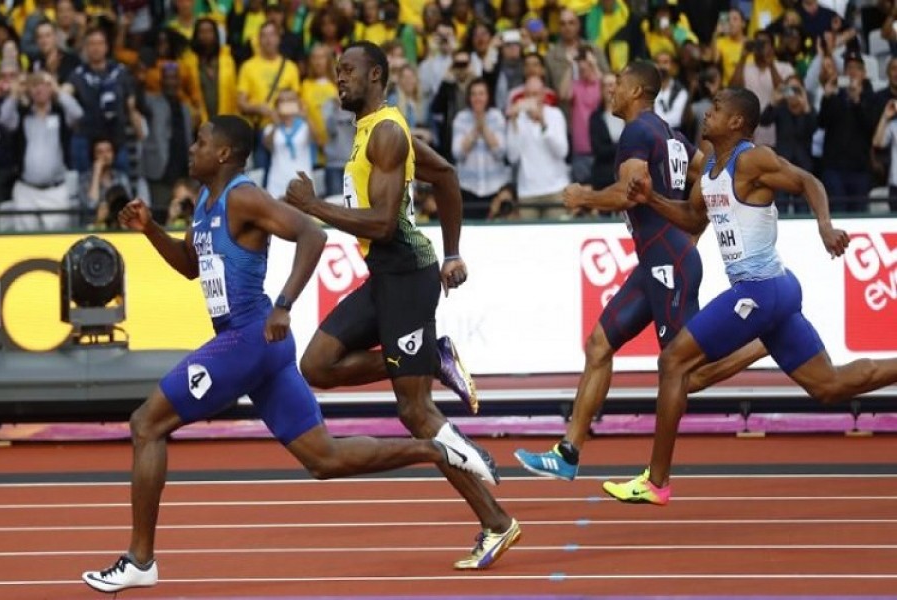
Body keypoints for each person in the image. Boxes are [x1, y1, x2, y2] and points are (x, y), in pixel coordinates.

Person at [80, 115, 500, 594]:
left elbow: (312, 234)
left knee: (146, 423)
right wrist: (149, 227)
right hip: (261, 350)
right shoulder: (204, 201)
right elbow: (191, 269)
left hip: (248, 339)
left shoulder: (244, 195)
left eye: (200, 142)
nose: (191, 149)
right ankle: (439, 449)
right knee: (325, 459)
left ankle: (140, 559)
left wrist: (284, 304)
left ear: (223, 154)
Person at [283, 41, 521, 570]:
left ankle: (497, 522)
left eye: (347, 70)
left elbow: (386, 223)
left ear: (376, 76)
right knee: (316, 364)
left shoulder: (388, 133)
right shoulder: (377, 130)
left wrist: (312, 207)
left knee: (416, 412)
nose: (337, 77)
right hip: (386, 277)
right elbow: (447, 176)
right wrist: (454, 251)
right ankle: (430, 358)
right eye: (336, 68)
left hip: (408, 277)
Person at [609, 87, 897, 505]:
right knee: (830, 387)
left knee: (673, 362)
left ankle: (656, 481)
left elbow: (808, 181)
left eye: (717, 109)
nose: (707, 113)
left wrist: (825, 226)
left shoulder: (751, 159)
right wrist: (651, 199)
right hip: (772, 293)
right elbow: (692, 218)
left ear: (737, 123)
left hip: (761, 289)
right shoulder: (709, 170)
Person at [514, 60, 767, 481]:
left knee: (688, 372)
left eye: (616, 85)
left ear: (635, 92)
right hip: (660, 261)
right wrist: (694, 227)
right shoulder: (671, 135)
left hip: (668, 262)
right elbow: (706, 171)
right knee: (598, 345)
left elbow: (630, 194)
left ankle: (761, 344)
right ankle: (568, 452)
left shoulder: (636, 132)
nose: (610, 92)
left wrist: (584, 197)